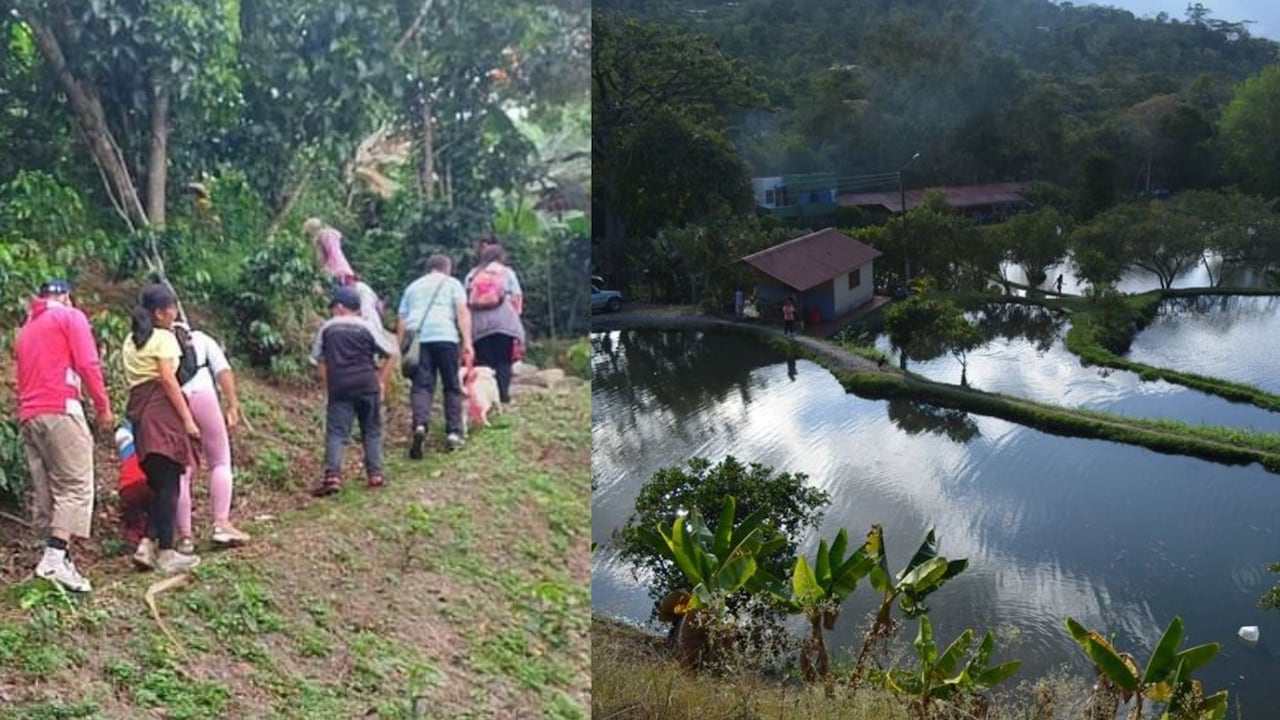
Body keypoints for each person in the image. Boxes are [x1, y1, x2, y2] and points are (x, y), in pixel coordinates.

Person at [14, 279, 114, 592]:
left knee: (48, 490)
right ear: (67, 297)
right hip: (61, 407)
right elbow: (87, 362)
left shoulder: (26, 330)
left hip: (30, 415)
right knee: (75, 484)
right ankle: (55, 559)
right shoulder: (71, 317)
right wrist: (103, 407)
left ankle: (58, 559)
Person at [123, 284, 202, 575]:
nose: (175, 314)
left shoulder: (131, 342)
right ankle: (167, 552)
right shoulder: (164, 339)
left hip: (140, 416)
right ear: (160, 312)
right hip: (162, 415)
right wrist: (188, 421)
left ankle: (147, 544)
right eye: (172, 309)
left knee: (159, 485)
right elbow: (169, 381)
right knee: (169, 484)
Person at [309, 286, 397, 496]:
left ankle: (333, 476)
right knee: (372, 430)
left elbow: (319, 359)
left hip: (340, 387)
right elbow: (391, 354)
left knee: (338, 432)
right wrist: (381, 381)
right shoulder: (367, 327)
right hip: (368, 384)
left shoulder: (328, 328)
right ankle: (375, 474)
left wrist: (328, 382)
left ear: (339, 307)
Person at [173, 322, 250, 553]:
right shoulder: (201, 339)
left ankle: (185, 537)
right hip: (203, 395)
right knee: (220, 461)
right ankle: (221, 524)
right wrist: (232, 404)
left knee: (182, 470)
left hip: (175, 401)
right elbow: (222, 371)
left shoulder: (160, 341)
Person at [398, 254, 474, 459]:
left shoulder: (413, 287)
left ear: (428, 268)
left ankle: (420, 425)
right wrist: (467, 341)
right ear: (447, 268)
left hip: (418, 339)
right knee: (451, 385)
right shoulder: (452, 283)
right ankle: (453, 433)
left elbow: (403, 320)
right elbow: (462, 312)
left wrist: (402, 349)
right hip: (445, 336)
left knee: (422, 386)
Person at [464, 242, 525, 405]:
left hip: (479, 324)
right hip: (504, 322)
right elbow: (516, 297)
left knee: (484, 362)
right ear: (501, 257)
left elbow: (465, 300)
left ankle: (484, 396)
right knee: (503, 360)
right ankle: (503, 395)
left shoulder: (472, 274)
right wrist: (515, 318)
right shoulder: (507, 273)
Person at [303, 217, 355, 284]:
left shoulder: (326, 236)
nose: (309, 238)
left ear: (313, 231)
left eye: (308, 235)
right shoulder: (326, 237)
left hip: (339, 273)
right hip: (342, 272)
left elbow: (332, 255)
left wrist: (325, 270)